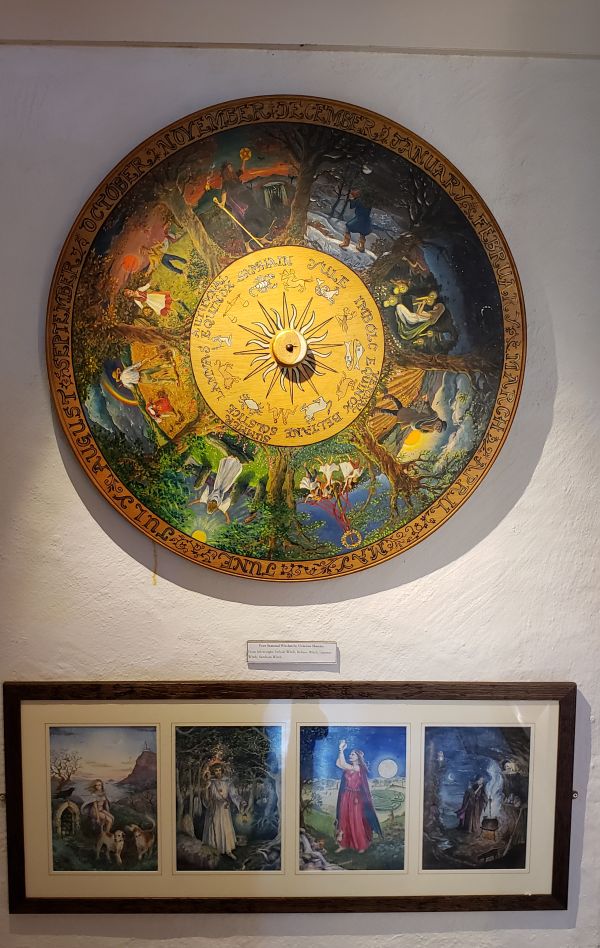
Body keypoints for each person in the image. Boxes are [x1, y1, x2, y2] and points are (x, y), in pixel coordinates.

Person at [334, 740, 382, 854]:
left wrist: (341, 749)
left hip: (356, 797)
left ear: (357, 757)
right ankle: (344, 844)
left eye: (352, 754)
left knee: (356, 819)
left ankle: (361, 844)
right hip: (346, 796)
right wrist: (340, 751)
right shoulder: (350, 767)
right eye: (350, 754)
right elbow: (338, 763)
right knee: (344, 819)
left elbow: (343, 764)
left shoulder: (358, 768)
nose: (350, 756)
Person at [215, 161, 274, 251]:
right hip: (242, 204)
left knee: (259, 215)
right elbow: (224, 192)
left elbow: (242, 170)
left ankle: (262, 238)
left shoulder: (235, 176)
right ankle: (247, 246)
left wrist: (244, 160)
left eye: (231, 166)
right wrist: (223, 202)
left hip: (249, 200)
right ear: (226, 171)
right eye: (229, 167)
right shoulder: (227, 182)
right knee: (247, 223)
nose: (231, 168)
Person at [201, 763, 244, 859]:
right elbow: (206, 797)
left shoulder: (227, 782)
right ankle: (214, 850)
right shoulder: (211, 782)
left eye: (219, 770)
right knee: (214, 827)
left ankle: (227, 850)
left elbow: (234, 794)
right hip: (214, 808)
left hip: (224, 808)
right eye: (216, 771)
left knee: (225, 827)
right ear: (213, 772)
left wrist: (241, 802)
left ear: (222, 771)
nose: (218, 772)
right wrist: (206, 789)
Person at [112, 359, 179, 392]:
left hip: (142, 380)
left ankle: (173, 380)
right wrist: (142, 362)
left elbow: (133, 387)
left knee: (158, 380)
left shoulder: (124, 382)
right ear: (119, 373)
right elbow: (134, 366)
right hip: (142, 373)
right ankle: (170, 365)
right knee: (155, 369)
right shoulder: (125, 371)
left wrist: (127, 386)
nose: (120, 371)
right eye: (119, 371)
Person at [340, 188, 373, 253]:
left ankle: (346, 243)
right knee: (363, 233)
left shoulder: (359, 200)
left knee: (348, 227)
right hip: (367, 220)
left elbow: (352, 206)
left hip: (359, 219)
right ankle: (361, 247)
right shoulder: (369, 202)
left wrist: (352, 199)